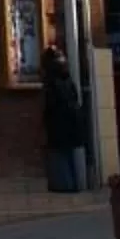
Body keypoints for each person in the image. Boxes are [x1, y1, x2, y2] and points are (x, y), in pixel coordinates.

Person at [41, 49, 88, 193]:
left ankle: (65, 185)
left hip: (59, 123)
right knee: (69, 153)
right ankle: (73, 184)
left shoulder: (51, 82)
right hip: (73, 120)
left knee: (60, 154)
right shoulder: (67, 78)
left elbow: (51, 105)